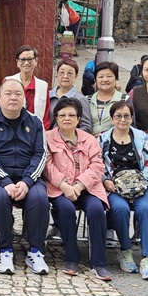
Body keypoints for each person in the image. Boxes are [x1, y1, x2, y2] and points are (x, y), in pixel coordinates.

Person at [0, 79, 50, 275]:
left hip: (28, 176)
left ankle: (35, 251)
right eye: (8, 93)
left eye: (18, 94)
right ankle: (5, 250)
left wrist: (27, 182)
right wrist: (6, 182)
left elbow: (41, 154)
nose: (13, 98)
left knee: (40, 198)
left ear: (24, 98)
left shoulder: (35, 121)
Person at [44, 98, 111, 280]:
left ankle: (99, 262)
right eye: (62, 115)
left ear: (79, 118)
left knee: (96, 210)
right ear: (56, 118)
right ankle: (71, 257)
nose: (67, 118)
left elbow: (97, 166)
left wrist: (80, 185)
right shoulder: (48, 137)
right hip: (59, 188)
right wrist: (65, 186)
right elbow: (47, 166)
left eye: (71, 115)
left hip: (87, 188)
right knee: (66, 209)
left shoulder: (89, 139)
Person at [99, 101, 148, 281]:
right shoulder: (103, 140)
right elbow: (97, 165)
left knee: (145, 209)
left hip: (140, 185)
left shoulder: (142, 138)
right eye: (118, 116)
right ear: (112, 119)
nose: (122, 120)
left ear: (132, 118)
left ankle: (147, 258)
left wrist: (138, 186)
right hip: (114, 186)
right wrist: (105, 181)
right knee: (120, 208)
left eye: (126, 116)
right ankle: (125, 251)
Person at [4, 45, 50, 127]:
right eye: (22, 59)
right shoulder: (8, 81)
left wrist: (42, 131)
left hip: (36, 130)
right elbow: (2, 107)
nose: (26, 63)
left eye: (30, 59)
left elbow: (46, 115)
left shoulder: (43, 86)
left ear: (36, 61)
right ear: (17, 62)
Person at [49, 58, 91, 132]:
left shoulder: (80, 99)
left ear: (76, 75)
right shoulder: (48, 96)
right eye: (62, 72)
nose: (65, 76)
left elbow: (86, 127)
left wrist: (69, 135)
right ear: (56, 74)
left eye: (70, 73)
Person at [88, 61, 129, 136]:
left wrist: (104, 135)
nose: (105, 80)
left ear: (116, 79)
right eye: (101, 77)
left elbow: (130, 126)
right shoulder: (88, 100)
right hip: (90, 141)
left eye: (109, 76)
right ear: (95, 80)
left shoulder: (124, 100)